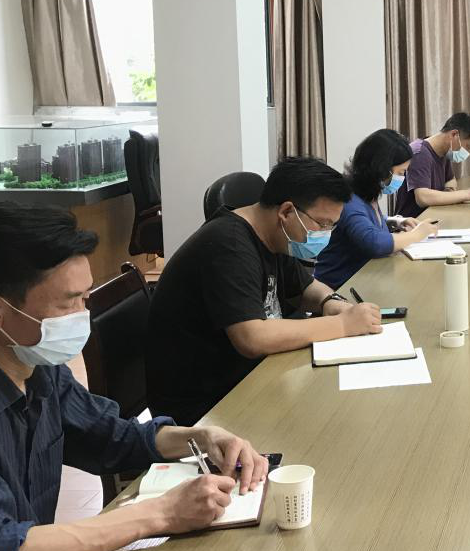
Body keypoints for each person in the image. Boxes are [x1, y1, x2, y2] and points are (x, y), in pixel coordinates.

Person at [0, 204, 268, 551]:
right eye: (68, 302)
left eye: (85, 296)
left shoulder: (38, 370)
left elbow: (114, 436)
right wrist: (159, 515)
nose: (83, 313)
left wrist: (202, 437)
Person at [146, 157, 382, 426]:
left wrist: (331, 302)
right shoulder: (229, 245)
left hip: (247, 378)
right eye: (323, 224)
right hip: (204, 408)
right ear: (286, 212)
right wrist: (342, 325)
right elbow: (252, 338)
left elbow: (305, 286)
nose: (326, 234)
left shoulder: (274, 236)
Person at [314, 130, 441, 290]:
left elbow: (367, 220)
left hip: (362, 278)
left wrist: (395, 221)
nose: (402, 178)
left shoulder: (366, 193)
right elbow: (374, 243)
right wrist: (416, 235)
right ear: (382, 169)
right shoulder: (349, 201)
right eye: (401, 173)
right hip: (338, 287)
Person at [392, 112, 470, 218]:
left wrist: (448, 193)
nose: (468, 152)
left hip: (434, 216)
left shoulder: (444, 152)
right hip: (413, 223)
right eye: (469, 146)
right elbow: (422, 198)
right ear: (454, 135)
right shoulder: (419, 153)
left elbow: (451, 180)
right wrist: (468, 194)